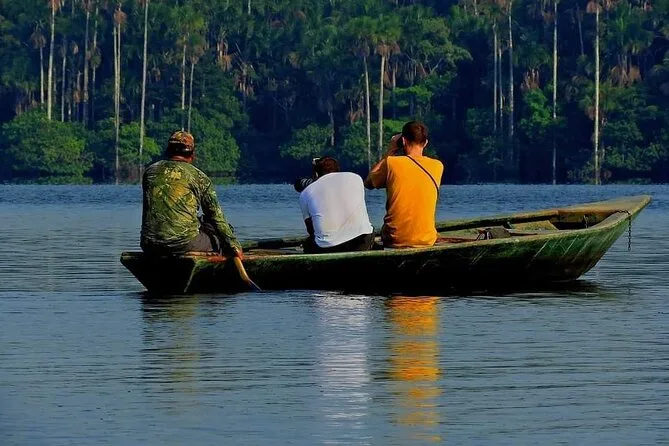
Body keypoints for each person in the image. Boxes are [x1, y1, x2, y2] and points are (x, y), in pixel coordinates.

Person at [140, 130, 243, 259]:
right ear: (192, 154)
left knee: (204, 223)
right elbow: (216, 217)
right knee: (220, 236)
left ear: (168, 151)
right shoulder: (199, 177)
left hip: (149, 243)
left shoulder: (150, 172)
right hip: (183, 244)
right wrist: (234, 245)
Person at [364, 120, 444, 248]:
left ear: (403, 141)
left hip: (395, 239)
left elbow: (368, 182)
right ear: (426, 143)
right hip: (426, 239)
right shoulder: (438, 166)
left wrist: (390, 151)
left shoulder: (391, 163)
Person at [297, 156, 374, 254]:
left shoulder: (305, 193)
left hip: (328, 247)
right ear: (338, 169)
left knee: (308, 244)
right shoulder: (356, 178)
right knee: (368, 228)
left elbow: (311, 229)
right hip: (361, 243)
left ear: (316, 174)